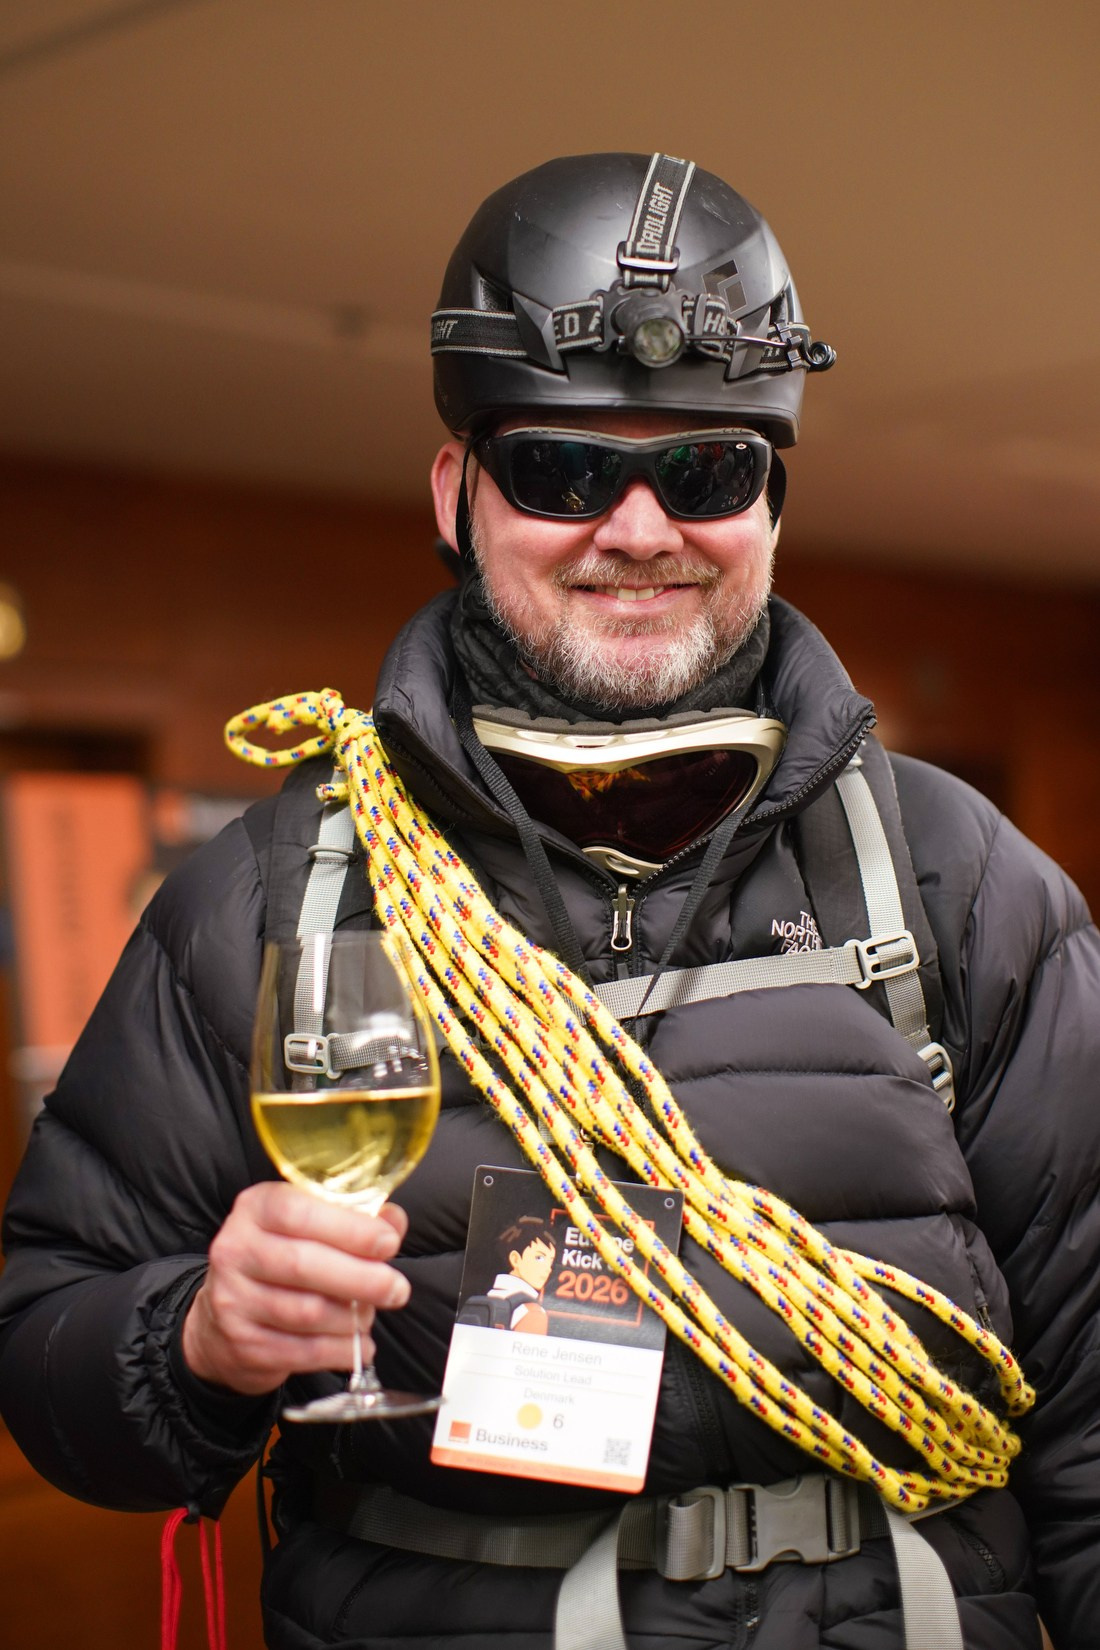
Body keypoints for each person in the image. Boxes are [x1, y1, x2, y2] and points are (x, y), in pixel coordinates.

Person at [0, 151, 1097, 1650]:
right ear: (458, 494)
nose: (638, 527)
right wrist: (195, 1340)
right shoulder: (274, 891)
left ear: (774, 504)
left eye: (706, 470)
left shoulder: (961, 878)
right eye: (565, 469)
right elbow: (49, 1341)